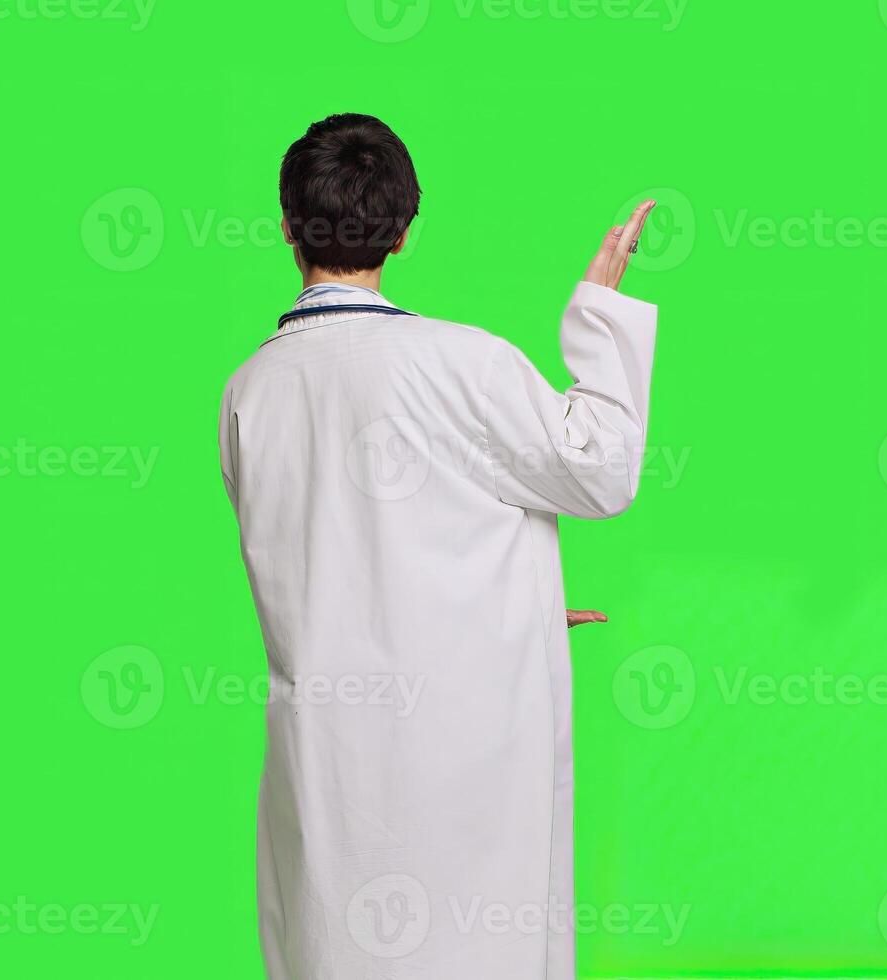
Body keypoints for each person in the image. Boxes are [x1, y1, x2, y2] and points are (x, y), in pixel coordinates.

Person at [217, 113, 658, 978]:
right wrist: (598, 316)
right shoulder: (462, 361)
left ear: (285, 226)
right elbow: (600, 472)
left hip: (326, 761)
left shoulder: (249, 389)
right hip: (458, 763)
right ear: (406, 230)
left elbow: (321, 557)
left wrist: (513, 602)